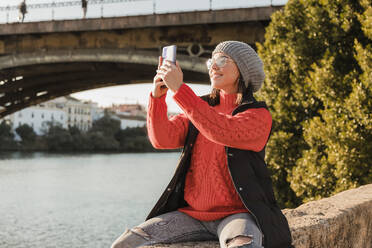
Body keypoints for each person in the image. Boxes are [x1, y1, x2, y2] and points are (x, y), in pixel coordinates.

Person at [111, 41, 294, 248]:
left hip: (236, 216)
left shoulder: (258, 115)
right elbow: (162, 139)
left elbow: (221, 130)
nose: (213, 66)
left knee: (244, 246)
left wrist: (180, 90)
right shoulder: (199, 109)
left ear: (244, 69)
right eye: (211, 61)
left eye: (222, 60)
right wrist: (158, 97)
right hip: (191, 216)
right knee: (124, 244)